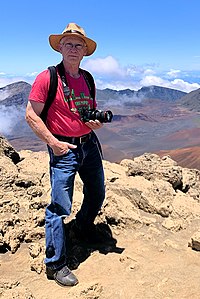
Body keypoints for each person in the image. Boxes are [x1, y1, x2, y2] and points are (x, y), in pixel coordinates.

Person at [25, 22, 106, 287]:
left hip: (88, 145)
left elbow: (85, 111)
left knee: (97, 193)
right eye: (68, 44)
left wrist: (94, 124)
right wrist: (54, 143)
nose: (73, 48)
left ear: (85, 51)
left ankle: (82, 229)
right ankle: (56, 264)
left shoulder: (87, 78)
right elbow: (31, 115)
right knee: (59, 206)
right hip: (64, 149)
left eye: (78, 45)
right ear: (60, 47)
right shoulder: (47, 78)